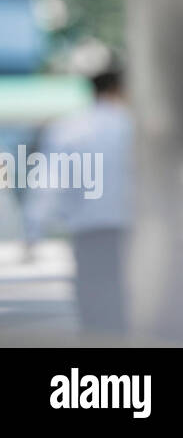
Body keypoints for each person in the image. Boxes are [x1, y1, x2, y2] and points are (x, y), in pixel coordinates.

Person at [29, 64, 134, 337]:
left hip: (86, 228)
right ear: (119, 90)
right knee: (122, 295)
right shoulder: (133, 127)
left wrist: (35, 228)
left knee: (92, 297)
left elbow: (50, 180)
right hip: (128, 227)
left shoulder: (69, 128)